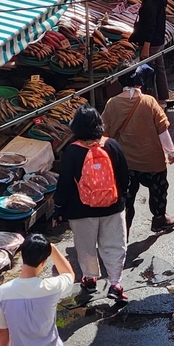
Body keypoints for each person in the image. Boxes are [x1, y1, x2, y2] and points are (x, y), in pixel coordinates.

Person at [54, 106, 131, 302]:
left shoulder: (72, 151)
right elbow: (125, 176)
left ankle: (89, 278)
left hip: (81, 210)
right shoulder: (112, 145)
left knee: (85, 246)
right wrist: (121, 197)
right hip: (113, 207)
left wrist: (59, 208)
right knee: (114, 245)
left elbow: (64, 183)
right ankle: (115, 283)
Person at [101, 64, 174, 234]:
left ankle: (122, 232)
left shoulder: (112, 104)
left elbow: (103, 135)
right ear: (140, 83)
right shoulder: (149, 102)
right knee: (158, 191)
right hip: (152, 162)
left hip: (124, 164)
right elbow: (162, 131)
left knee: (126, 199)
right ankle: (159, 219)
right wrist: (170, 152)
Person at [131, 0, 174, 108]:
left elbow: (150, 26)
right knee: (160, 68)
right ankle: (163, 98)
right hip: (159, 39)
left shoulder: (150, 3)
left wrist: (146, 46)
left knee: (148, 71)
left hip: (151, 43)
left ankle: (154, 102)